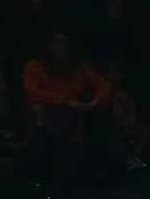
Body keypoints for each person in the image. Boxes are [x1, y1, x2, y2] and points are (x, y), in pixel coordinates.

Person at [22, 31, 113, 176]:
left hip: (77, 113)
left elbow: (103, 85)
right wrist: (65, 101)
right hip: (49, 114)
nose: (62, 46)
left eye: (66, 42)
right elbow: (31, 91)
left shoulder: (79, 67)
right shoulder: (35, 66)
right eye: (58, 42)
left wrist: (93, 103)